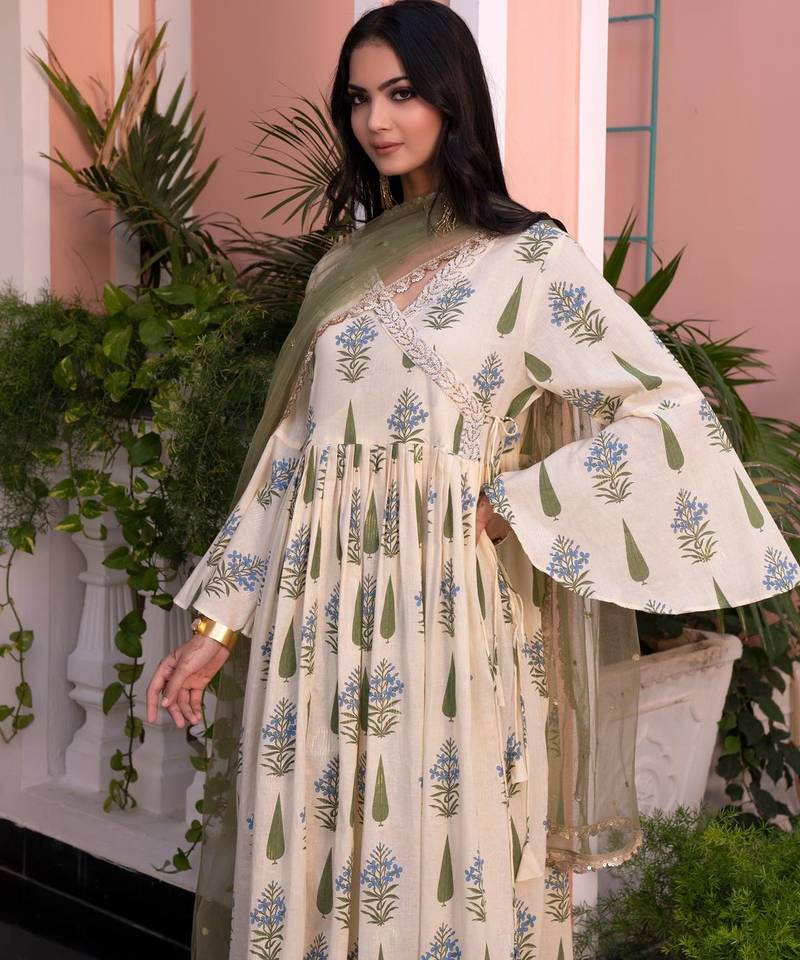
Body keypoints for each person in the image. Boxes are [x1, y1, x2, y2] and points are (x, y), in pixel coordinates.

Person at [145, 2, 799, 958]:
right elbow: (293, 458)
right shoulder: (341, 268)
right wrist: (215, 630)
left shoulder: (529, 260)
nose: (377, 120)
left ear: (451, 101)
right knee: (319, 849)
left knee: (436, 852)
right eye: (359, 98)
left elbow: (665, 409)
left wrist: (513, 506)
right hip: (318, 619)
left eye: (402, 93)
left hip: (445, 617)